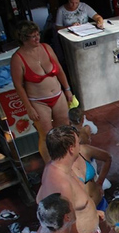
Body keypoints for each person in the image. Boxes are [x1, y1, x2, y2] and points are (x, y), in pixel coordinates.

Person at [10, 21, 72, 162]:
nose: (37, 38)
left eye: (38, 35)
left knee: (64, 129)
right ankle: (51, 165)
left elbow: (60, 69)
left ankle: (67, 159)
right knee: (47, 135)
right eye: (33, 37)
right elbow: (18, 86)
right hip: (38, 101)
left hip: (57, 94)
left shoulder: (46, 47)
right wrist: (29, 108)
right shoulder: (17, 59)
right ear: (24, 39)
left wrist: (67, 89)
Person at [70, 107, 112, 211]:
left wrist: (100, 182)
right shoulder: (61, 164)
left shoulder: (84, 150)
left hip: (99, 203)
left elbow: (108, 158)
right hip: (85, 212)